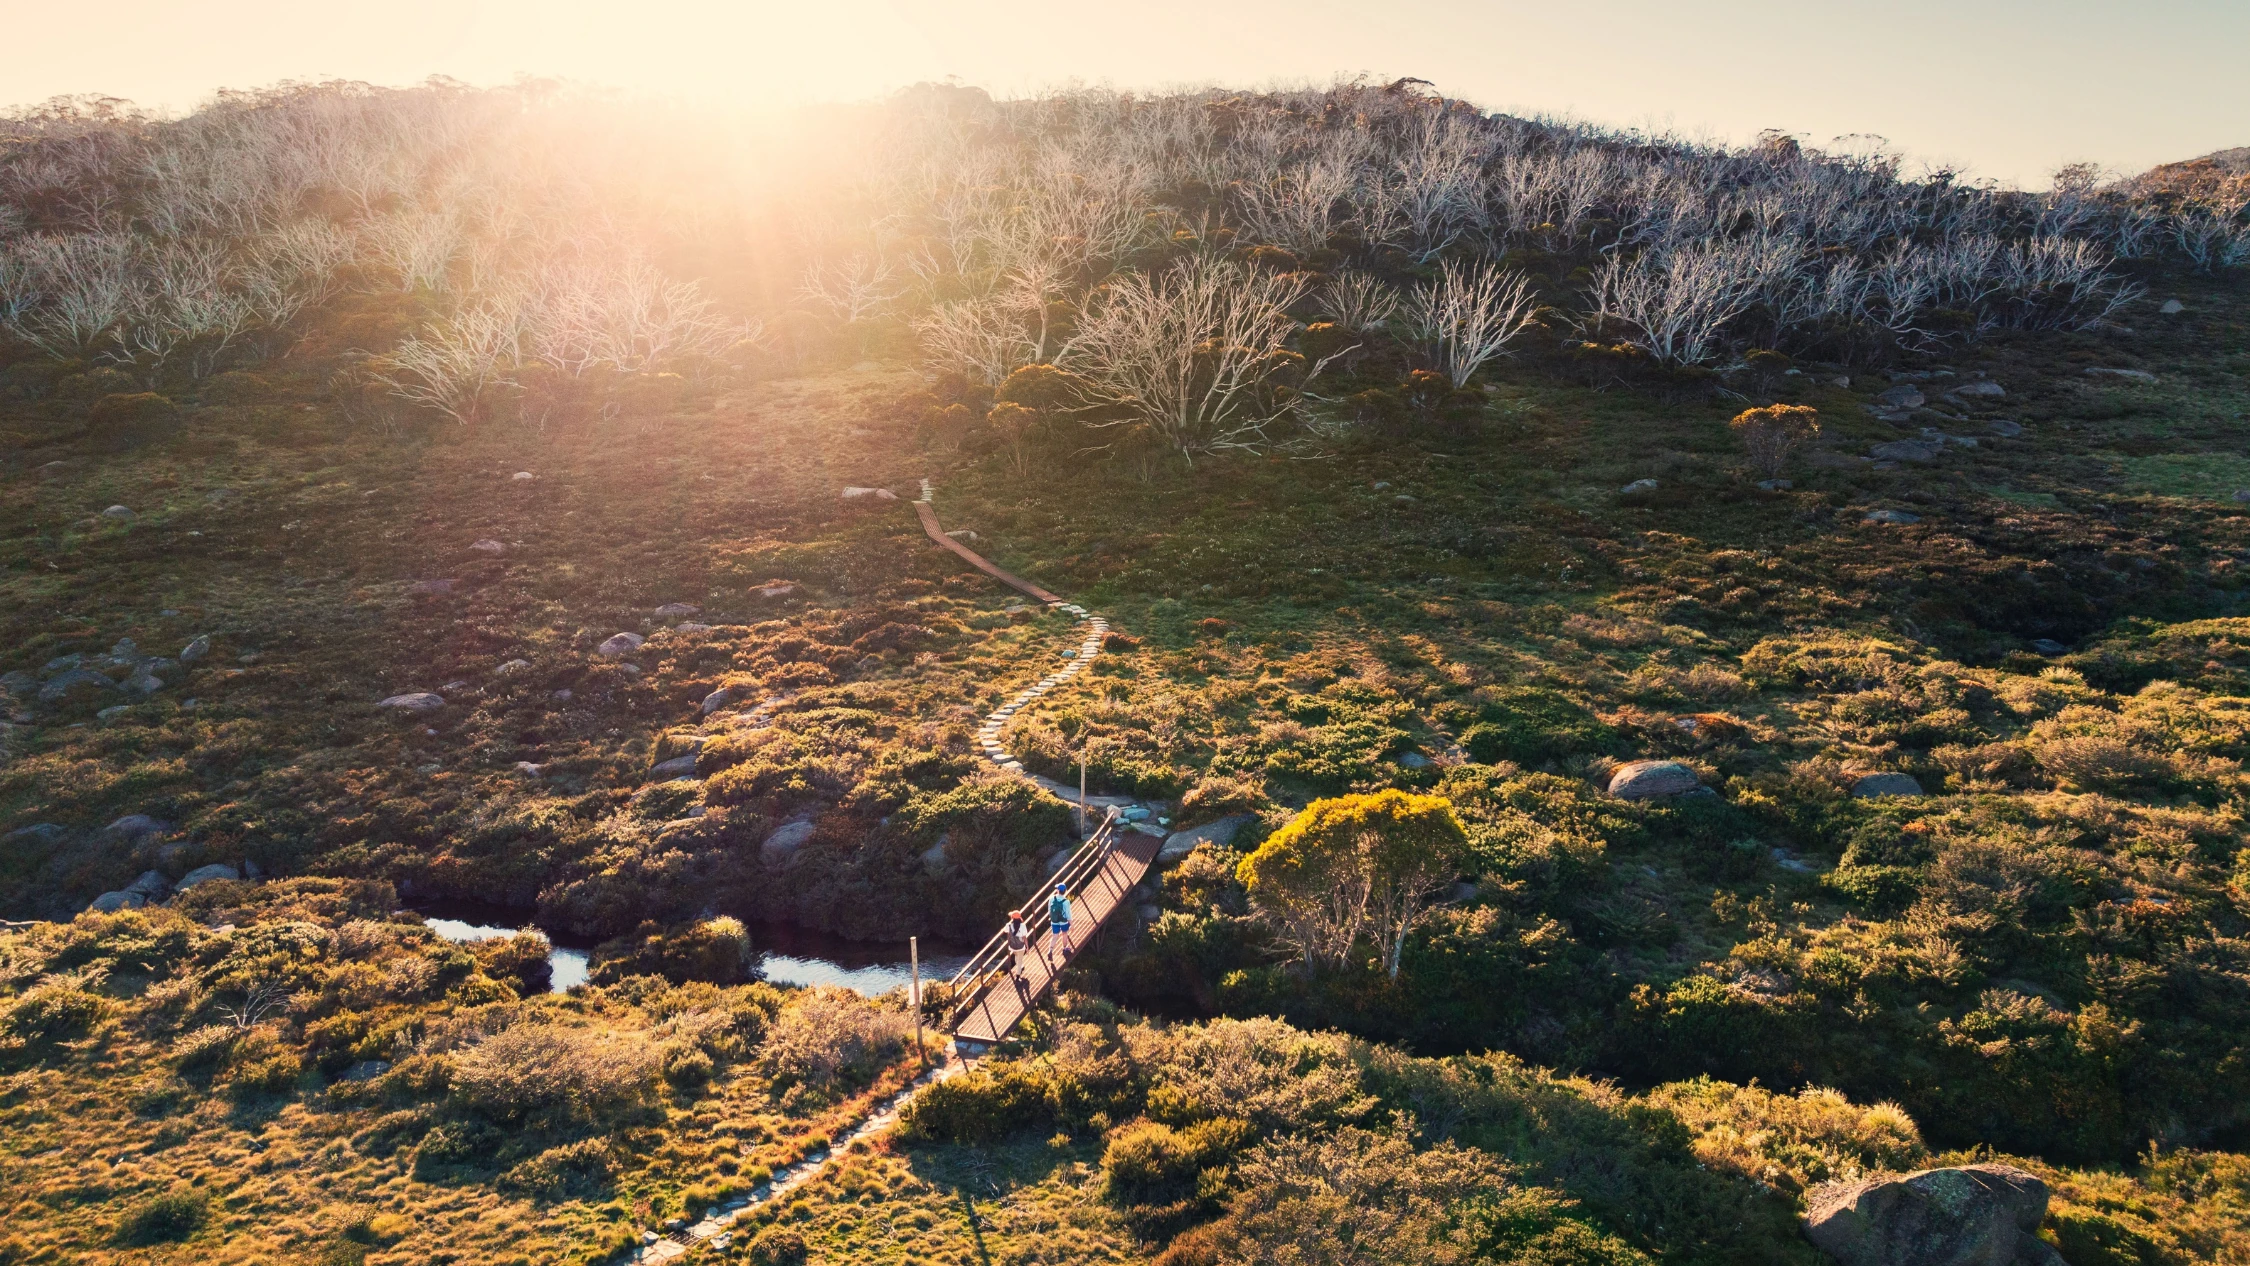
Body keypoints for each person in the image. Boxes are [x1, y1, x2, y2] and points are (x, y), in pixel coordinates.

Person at [1046, 883, 1073, 969]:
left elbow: (1049, 910)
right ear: (1065, 891)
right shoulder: (1066, 901)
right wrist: (1071, 924)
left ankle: (1050, 950)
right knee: (1064, 933)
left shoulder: (1051, 898)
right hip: (1063, 921)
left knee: (1055, 936)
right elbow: (1068, 914)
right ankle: (1064, 948)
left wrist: (1051, 917)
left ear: (1058, 890)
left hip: (1054, 921)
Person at [1004, 913, 1031, 995]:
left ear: (1012, 917)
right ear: (1020, 917)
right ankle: (1018, 976)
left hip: (1012, 947)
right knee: (1019, 960)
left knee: (1017, 957)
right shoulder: (1023, 926)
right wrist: (1027, 947)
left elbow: (1005, 931)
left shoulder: (1008, 925)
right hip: (1021, 946)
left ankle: (1021, 967)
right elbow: (1024, 937)